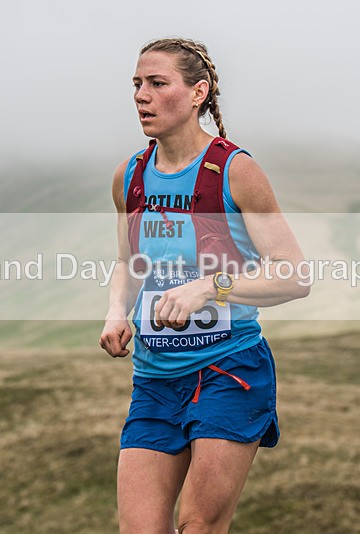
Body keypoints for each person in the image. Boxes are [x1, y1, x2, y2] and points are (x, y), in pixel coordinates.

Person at [99, 37, 309, 533]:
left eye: (157, 83)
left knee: (199, 526)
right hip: (154, 378)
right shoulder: (129, 176)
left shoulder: (234, 170)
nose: (140, 96)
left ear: (198, 93)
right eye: (136, 84)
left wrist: (209, 287)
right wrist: (115, 312)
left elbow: (294, 274)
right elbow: (128, 262)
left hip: (229, 369)